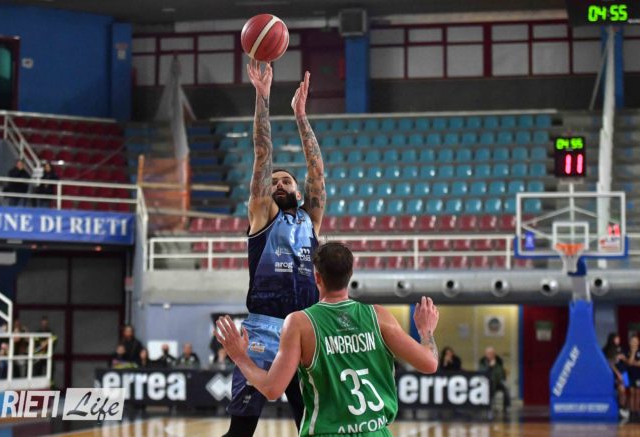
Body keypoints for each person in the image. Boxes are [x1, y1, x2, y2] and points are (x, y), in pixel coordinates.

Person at [216, 243, 439, 437]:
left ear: (317, 277)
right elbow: (430, 363)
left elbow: (272, 389)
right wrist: (426, 331)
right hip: (376, 431)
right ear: (351, 274)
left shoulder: (300, 323)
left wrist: (239, 357)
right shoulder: (379, 316)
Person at [222, 61, 326, 437]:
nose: (279, 183)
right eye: (275, 181)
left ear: (298, 192)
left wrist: (301, 116)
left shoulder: (310, 220)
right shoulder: (263, 215)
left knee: (311, 428)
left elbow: (317, 171)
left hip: (304, 330)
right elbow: (262, 155)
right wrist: (262, 97)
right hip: (262, 331)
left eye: (287, 181)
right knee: (241, 431)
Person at [479, 346, 511, 415]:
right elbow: (482, 371)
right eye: (488, 353)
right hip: (487, 382)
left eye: (491, 353)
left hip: (498, 381)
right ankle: (489, 406)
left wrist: (504, 374)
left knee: (506, 389)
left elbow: (500, 372)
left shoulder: (498, 361)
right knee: (490, 389)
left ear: (494, 354)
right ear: (486, 354)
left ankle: (506, 407)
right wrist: (490, 367)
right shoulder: (482, 361)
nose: (490, 355)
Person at [627, 335, 640, 415]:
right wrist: (633, 352)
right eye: (632, 341)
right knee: (631, 393)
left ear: (638, 342)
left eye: (636, 341)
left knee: (638, 393)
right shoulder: (627, 351)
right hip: (629, 375)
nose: (634, 343)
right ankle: (631, 411)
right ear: (630, 342)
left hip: (638, 375)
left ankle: (637, 410)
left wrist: (632, 362)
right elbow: (629, 363)